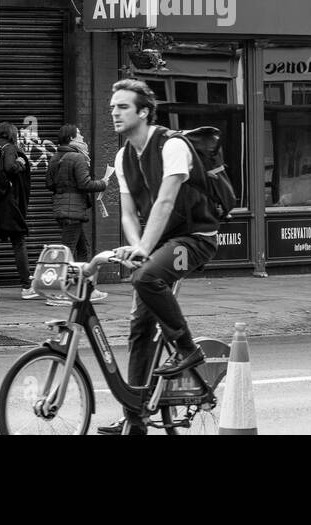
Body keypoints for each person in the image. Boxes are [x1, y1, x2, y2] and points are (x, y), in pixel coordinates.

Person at [98, 79, 219, 435]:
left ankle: (187, 348)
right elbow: (127, 215)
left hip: (195, 238)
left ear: (144, 111)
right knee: (138, 328)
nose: (115, 113)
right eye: (112, 108)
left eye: (122, 107)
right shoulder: (123, 157)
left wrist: (144, 251)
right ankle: (134, 417)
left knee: (146, 277)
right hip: (159, 241)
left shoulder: (171, 146)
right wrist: (137, 247)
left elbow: (165, 201)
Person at [48, 125, 113, 305]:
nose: (83, 138)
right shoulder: (77, 157)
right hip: (74, 210)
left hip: (62, 209)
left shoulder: (55, 157)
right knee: (68, 251)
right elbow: (85, 184)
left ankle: (84, 288)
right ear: (71, 138)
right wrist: (103, 183)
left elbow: (49, 184)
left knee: (82, 249)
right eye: (79, 135)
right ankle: (60, 294)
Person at [0, 122, 39, 300]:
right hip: (7, 203)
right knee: (18, 242)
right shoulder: (9, 148)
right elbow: (10, 168)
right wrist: (21, 162)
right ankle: (26, 286)